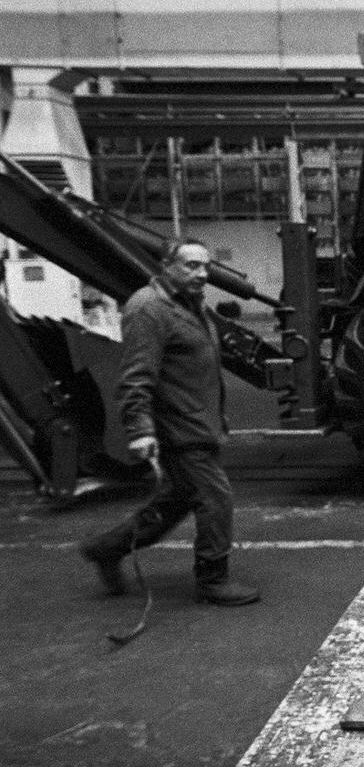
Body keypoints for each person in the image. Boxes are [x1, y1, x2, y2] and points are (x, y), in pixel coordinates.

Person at [79, 239, 260, 606]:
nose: (202, 274)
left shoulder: (191, 305)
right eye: (191, 266)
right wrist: (141, 430)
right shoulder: (149, 309)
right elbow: (135, 377)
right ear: (166, 266)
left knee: (175, 502)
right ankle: (213, 578)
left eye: (205, 267)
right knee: (215, 498)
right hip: (180, 426)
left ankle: (107, 549)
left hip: (196, 420)